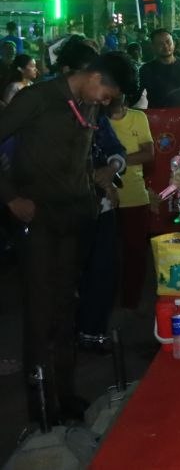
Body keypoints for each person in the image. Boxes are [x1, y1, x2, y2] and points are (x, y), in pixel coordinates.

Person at [0, 48, 134, 424]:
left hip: (74, 220)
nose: (105, 103)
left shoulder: (87, 105)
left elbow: (80, 156)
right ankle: (42, 408)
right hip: (37, 219)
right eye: (106, 95)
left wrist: (100, 181)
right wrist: (10, 198)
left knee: (66, 308)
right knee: (41, 312)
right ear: (95, 77)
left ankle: (66, 394)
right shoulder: (37, 99)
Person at [105, 91, 154, 311]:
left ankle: (131, 302)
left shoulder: (138, 117)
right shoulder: (98, 120)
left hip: (134, 194)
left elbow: (148, 154)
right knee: (107, 253)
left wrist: (113, 163)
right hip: (103, 196)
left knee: (135, 252)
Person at [138, 29, 180, 108]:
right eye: (160, 44)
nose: (166, 46)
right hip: (158, 115)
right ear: (153, 46)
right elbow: (136, 96)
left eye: (168, 42)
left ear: (174, 43)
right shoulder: (146, 69)